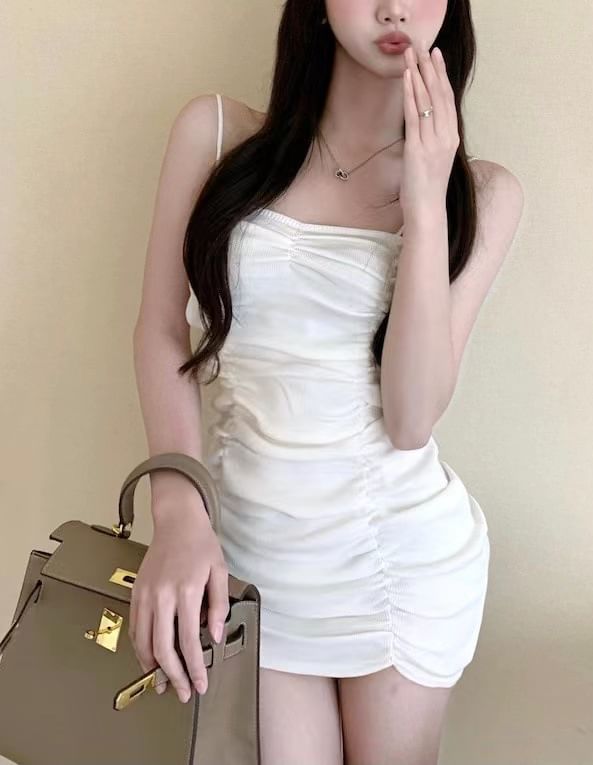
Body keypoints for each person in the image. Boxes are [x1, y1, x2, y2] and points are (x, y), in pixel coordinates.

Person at [131, 1, 524, 763]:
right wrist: (177, 511)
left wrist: (425, 202)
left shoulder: (485, 193)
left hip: (397, 564)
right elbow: (159, 328)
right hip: (250, 559)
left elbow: (410, 419)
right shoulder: (214, 134)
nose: (394, 7)